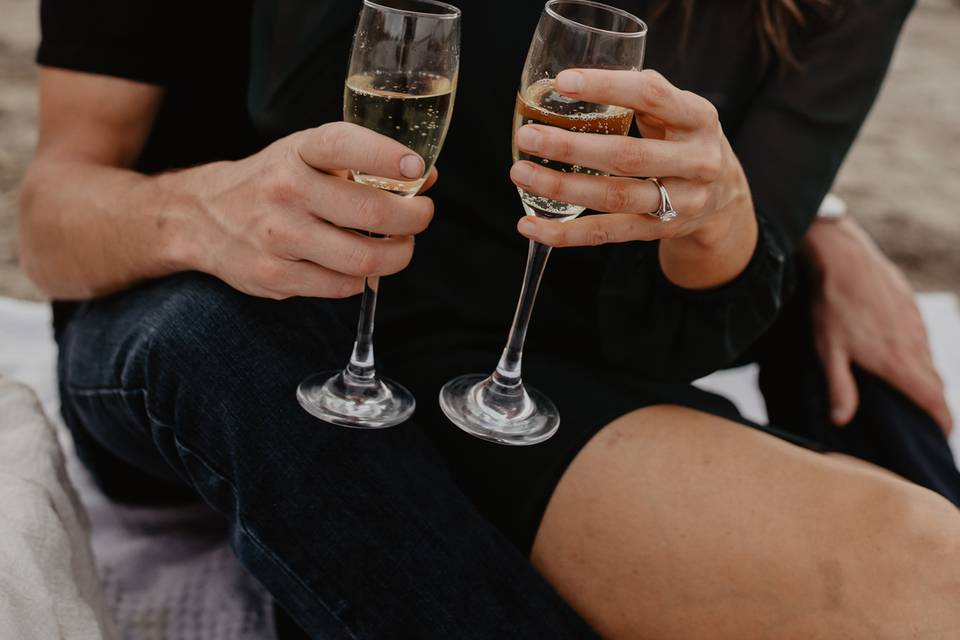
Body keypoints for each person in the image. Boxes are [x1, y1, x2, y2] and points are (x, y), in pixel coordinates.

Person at [17, 0, 960, 637]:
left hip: (528, 359)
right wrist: (202, 215)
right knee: (215, 338)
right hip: (226, 308)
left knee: (925, 570)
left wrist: (745, 222)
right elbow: (50, 217)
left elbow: (698, 321)